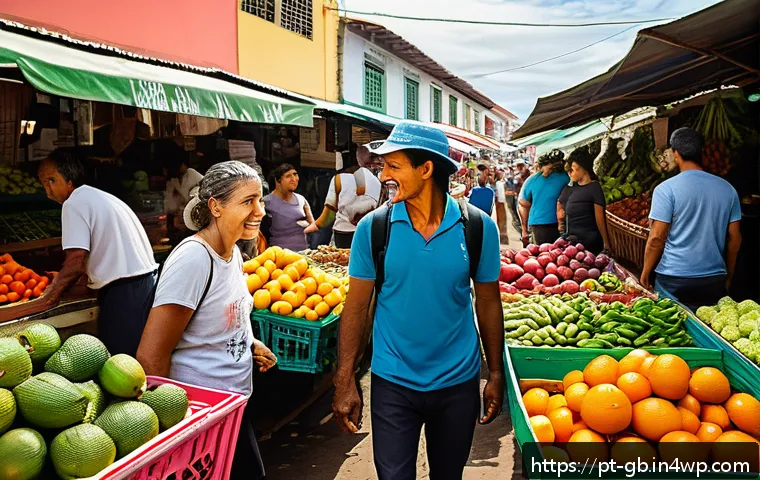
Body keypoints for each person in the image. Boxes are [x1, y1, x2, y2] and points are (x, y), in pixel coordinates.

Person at [332, 121, 504, 480]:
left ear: (426, 169)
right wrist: (344, 378)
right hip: (393, 380)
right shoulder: (373, 229)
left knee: (448, 474)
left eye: (394, 167)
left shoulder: (477, 228)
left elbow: (487, 302)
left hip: (457, 381)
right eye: (383, 167)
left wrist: (496, 372)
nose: (384, 176)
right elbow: (357, 307)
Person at [136, 161, 277, 480]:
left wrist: (248, 343)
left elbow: (220, 315)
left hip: (231, 409)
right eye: (248, 201)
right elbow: (151, 354)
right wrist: (168, 433)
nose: (259, 211)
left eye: (260, 200)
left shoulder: (233, 253)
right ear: (215, 206)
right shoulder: (194, 259)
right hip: (198, 415)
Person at [0, 149, 158, 355]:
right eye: (43, 184)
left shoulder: (73, 203)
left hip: (124, 292)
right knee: (131, 359)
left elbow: (76, 261)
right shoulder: (97, 197)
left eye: (50, 181)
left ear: (66, 180)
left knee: (122, 360)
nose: (48, 192)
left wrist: (50, 296)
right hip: (142, 286)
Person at [640, 127, 742, 311]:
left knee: (672, 331)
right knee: (707, 330)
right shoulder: (728, 189)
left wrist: (645, 272)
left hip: (674, 279)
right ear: (701, 152)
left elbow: (656, 238)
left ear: (675, 153)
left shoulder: (665, 189)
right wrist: (728, 274)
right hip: (713, 278)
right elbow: (735, 238)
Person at [305, 147, 382, 248]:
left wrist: (314, 226)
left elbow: (329, 215)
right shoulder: (380, 181)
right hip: (367, 233)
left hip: (342, 234)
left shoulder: (339, 179)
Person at [557, 148, 611, 254]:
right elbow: (560, 203)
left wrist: (606, 242)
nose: (570, 173)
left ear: (583, 168)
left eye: (572, 170)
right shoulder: (571, 188)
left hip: (590, 243)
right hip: (572, 243)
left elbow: (599, 218)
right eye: (568, 171)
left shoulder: (594, 187)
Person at [518, 150, 570, 246]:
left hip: (539, 224)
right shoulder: (567, 177)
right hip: (560, 224)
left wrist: (524, 229)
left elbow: (523, 203)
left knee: (542, 256)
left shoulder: (533, 179)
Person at [262, 163, 314, 252]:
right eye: (288, 176)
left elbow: (313, 224)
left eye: (295, 174)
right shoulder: (266, 202)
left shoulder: (301, 199)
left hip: (303, 253)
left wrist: (305, 224)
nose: (294, 179)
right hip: (279, 254)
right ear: (278, 180)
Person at [164, 153, 203, 239]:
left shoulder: (192, 173)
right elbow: (170, 205)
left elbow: (205, 189)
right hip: (180, 217)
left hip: (195, 215)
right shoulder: (173, 180)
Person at [509, 160, 530, 234]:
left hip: (527, 198)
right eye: (519, 166)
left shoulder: (529, 175)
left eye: (521, 166)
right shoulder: (517, 175)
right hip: (519, 197)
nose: (520, 168)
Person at [493, 169, 509, 244]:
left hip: (501, 202)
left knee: (502, 219)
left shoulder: (500, 183)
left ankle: (502, 236)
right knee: (501, 219)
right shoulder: (498, 183)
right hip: (499, 202)